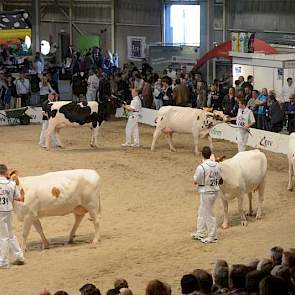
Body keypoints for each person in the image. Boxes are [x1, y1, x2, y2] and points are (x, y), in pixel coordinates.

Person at [191, 146, 221, 243]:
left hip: (206, 191)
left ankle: (213, 236)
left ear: (202, 154)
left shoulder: (201, 167)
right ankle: (200, 232)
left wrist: (196, 179)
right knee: (202, 211)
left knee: (208, 214)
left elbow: (196, 180)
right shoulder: (217, 165)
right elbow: (220, 178)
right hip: (214, 190)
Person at [0, 164, 25, 268]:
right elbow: (20, 198)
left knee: (3, 237)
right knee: (11, 235)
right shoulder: (12, 184)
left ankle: (4, 262)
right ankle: (19, 257)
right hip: (8, 211)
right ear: (6, 172)